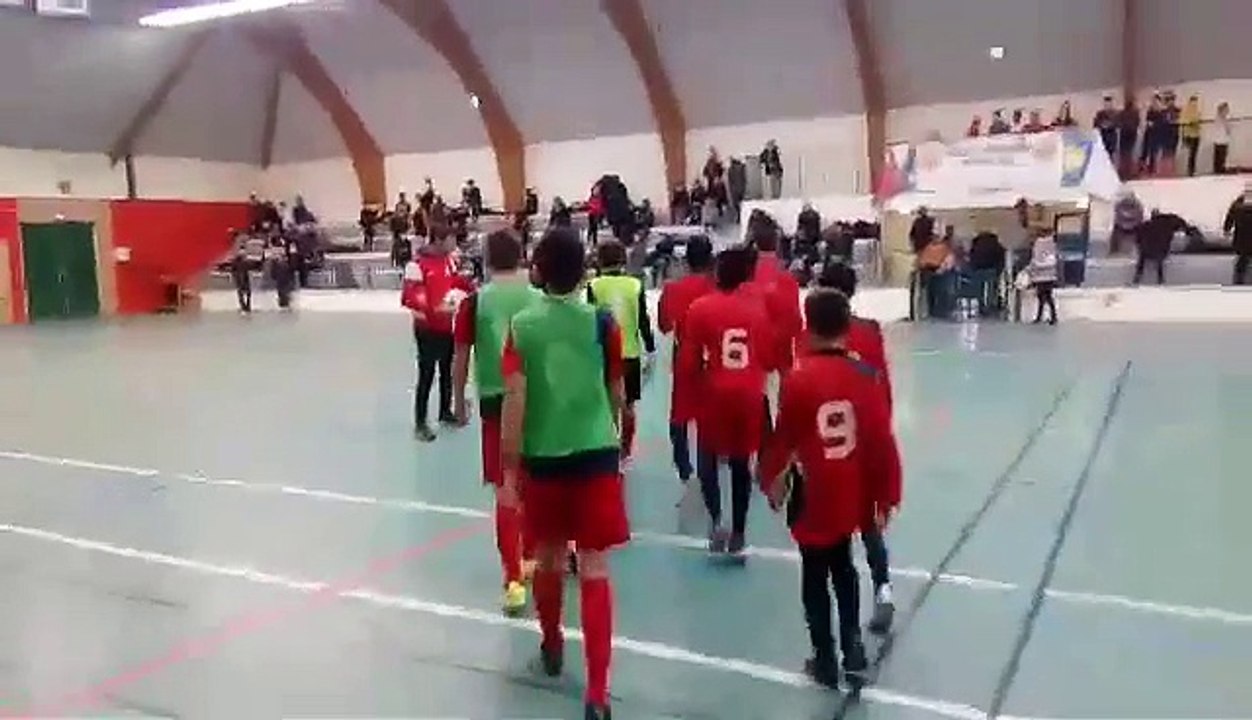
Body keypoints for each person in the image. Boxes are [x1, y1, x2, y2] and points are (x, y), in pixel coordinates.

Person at [498, 226, 628, 720]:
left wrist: (511, 466)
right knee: (594, 567)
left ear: (539, 269)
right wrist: (615, 433)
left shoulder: (523, 327)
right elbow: (617, 392)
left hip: (544, 457)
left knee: (549, 559)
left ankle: (552, 642)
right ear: (584, 270)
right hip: (596, 453)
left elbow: (515, 400)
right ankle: (597, 692)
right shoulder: (603, 323)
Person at [758, 289, 901, 691]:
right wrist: (886, 494)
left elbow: (785, 440)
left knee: (815, 574)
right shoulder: (866, 376)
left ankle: (824, 656)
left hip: (814, 490)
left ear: (809, 325)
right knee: (845, 566)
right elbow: (880, 440)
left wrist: (771, 480)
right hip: (852, 486)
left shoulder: (798, 379)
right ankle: (853, 647)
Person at [451, 230, 540, 615]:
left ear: (486, 259)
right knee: (535, 484)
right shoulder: (541, 297)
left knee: (506, 489)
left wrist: (457, 400)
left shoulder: (475, 302)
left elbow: (459, 356)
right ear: (521, 256)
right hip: (538, 400)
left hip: (494, 401)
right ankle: (537, 556)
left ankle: (513, 579)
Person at [813, 263, 897, 633]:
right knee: (870, 522)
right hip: (867, 433)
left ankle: (843, 624)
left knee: (834, 527)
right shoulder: (870, 331)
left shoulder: (812, 338)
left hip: (830, 443)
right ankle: (883, 587)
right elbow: (883, 384)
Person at [677, 247, 772, 559]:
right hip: (749, 392)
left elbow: (689, 361)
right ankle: (740, 531)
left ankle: (717, 519)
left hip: (715, 391)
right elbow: (767, 354)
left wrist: (689, 392)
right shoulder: (758, 309)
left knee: (707, 459)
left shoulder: (701, 308)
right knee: (741, 463)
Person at [587, 241, 656, 465]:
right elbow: (644, 320)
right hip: (630, 352)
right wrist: (651, 347)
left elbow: (589, 321)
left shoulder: (594, 285)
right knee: (629, 405)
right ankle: (625, 452)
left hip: (603, 354)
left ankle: (607, 447)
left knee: (606, 404)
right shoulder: (634, 285)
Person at [402, 230, 473, 441]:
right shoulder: (416, 265)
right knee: (426, 374)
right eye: (451, 238)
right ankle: (420, 423)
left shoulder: (449, 261)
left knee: (446, 371)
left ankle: (445, 411)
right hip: (427, 329)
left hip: (447, 326)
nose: (454, 242)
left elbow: (455, 284)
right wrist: (435, 312)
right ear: (439, 239)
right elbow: (411, 297)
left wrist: (467, 292)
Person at [657, 236, 716, 486]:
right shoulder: (719, 287)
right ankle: (709, 462)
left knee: (679, 415)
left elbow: (663, 325)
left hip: (685, 357)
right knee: (711, 414)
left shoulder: (673, 290)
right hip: (716, 358)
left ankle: (683, 466)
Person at [748, 222, 803, 375]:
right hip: (781, 349)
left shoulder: (748, 274)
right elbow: (795, 319)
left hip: (751, 348)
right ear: (777, 243)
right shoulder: (787, 278)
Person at [1027, 228, 1058, 325]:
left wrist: (1032, 270)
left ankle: (1039, 316)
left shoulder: (1038, 245)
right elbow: (1053, 260)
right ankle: (1053, 317)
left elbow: (1035, 260)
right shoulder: (1052, 245)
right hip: (1050, 275)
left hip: (1040, 276)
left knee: (1041, 297)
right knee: (1049, 296)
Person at [1225, 188, 1252, 285]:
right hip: (1243, 237)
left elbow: (1230, 217)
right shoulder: (1237, 205)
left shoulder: (1237, 204)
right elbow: (1230, 217)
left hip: (1241, 238)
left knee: (1242, 260)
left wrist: (1227, 229)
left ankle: (1238, 279)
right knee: (1243, 259)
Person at [1180, 95, 1202, 177]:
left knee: (1193, 153)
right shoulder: (1186, 111)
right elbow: (1184, 122)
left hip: (1195, 134)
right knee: (1192, 154)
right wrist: (1184, 136)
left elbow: (1198, 121)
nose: (1195, 103)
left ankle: (1192, 170)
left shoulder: (1197, 111)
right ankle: (1190, 170)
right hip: (1190, 134)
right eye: (1194, 101)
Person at [229, 242, 252, 314]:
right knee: (247, 292)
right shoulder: (245, 260)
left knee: (241, 292)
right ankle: (247, 306)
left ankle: (243, 306)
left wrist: (232, 277)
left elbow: (232, 270)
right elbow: (249, 267)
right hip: (244, 276)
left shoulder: (237, 260)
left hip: (239, 276)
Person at [1213, 102, 1232, 175]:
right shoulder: (1223, 118)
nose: (1227, 110)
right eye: (1226, 109)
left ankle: (1218, 171)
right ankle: (1219, 171)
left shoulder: (1218, 118)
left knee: (1218, 159)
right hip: (1222, 141)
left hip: (1219, 140)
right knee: (1220, 159)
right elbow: (1228, 130)